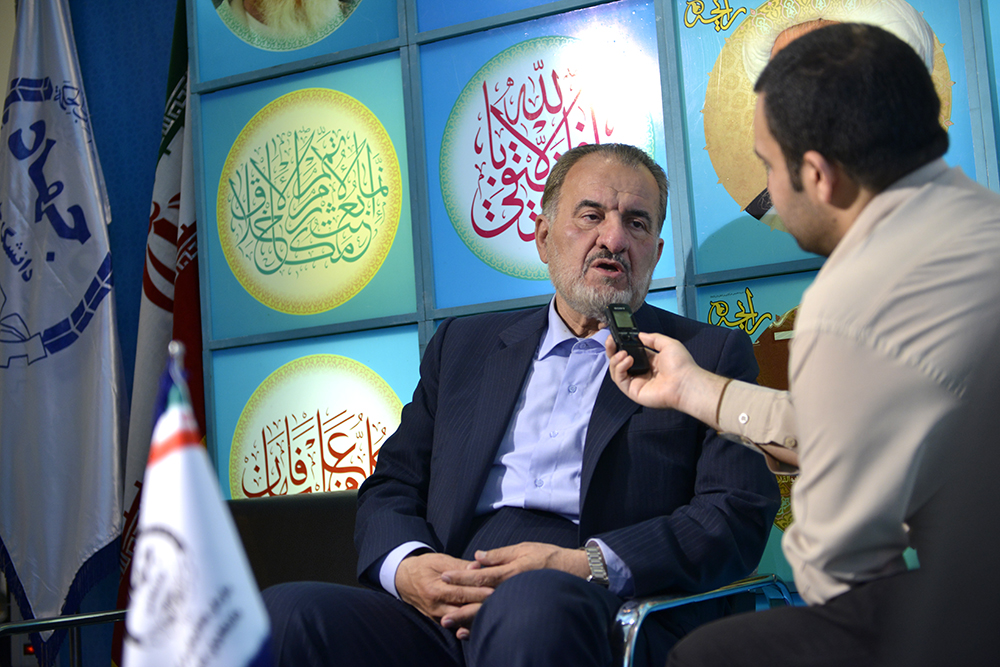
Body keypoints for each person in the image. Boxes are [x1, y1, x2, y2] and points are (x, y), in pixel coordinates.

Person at [262, 143, 780, 667]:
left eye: (637, 223)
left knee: (532, 609)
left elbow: (733, 515)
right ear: (543, 237)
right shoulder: (462, 346)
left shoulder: (704, 357)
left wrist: (583, 565)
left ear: (655, 250)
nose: (615, 239)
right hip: (445, 598)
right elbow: (393, 484)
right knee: (285, 616)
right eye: (591, 216)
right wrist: (409, 567)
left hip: (590, 607)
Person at [606, 23, 1000, 666]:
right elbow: (865, 418)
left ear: (816, 174)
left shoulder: (851, 304)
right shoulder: (980, 219)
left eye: (767, 166)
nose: (767, 197)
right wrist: (695, 390)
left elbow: (840, 570)